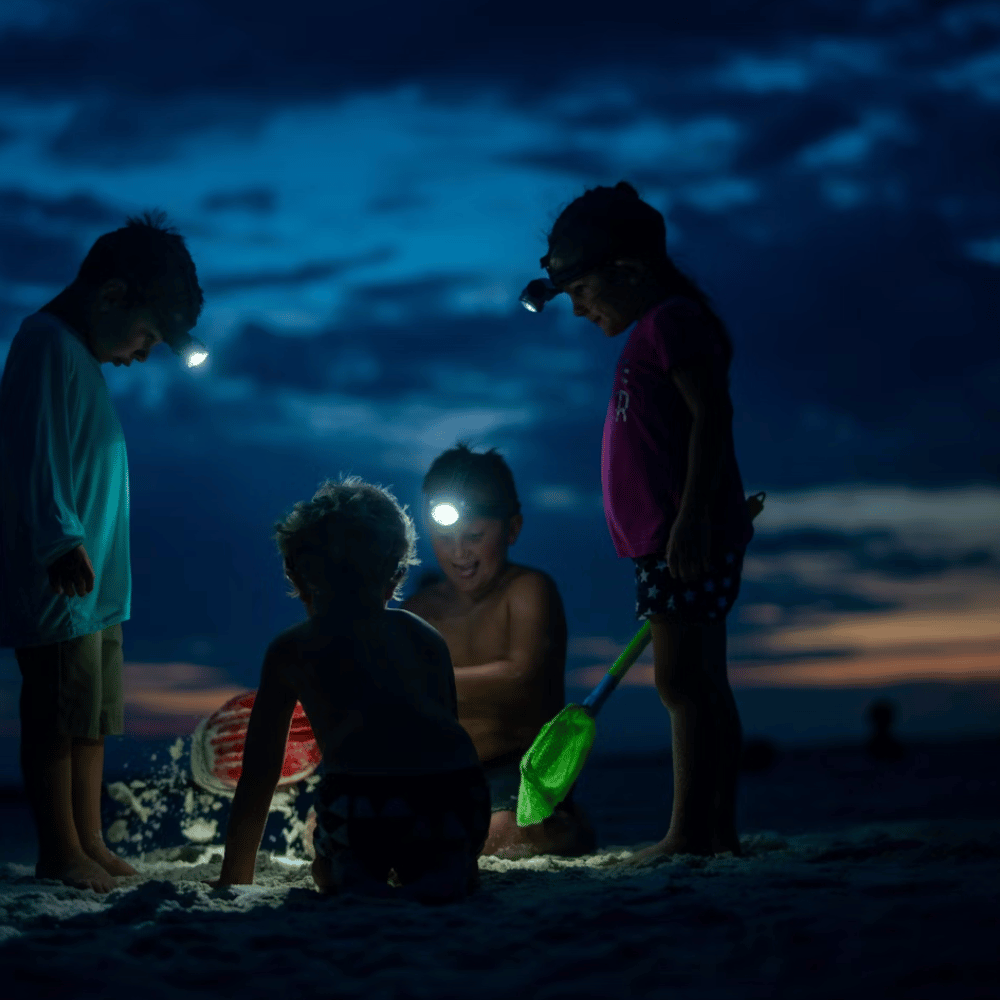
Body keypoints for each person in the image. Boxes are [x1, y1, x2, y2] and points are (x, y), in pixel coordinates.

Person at [521, 182, 758, 861]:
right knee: (698, 682)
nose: (578, 309)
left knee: (684, 683)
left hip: (681, 540)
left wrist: (691, 519)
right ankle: (714, 833)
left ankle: (691, 834)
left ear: (627, 271)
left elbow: (713, 416)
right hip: (672, 539)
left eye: (582, 292)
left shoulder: (672, 321)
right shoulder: (660, 328)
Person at [0, 212, 204, 892]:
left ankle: (89, 839)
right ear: (112, 297)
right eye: (147, 335)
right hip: (60, 578)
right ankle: (59, 849)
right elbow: (32, 453)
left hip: (96, 587)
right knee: (56, 715)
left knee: (90, 719)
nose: (144, 353)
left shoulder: (76, 356)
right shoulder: (45, 344)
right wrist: (60, 539)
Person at [213, 477, 490, 903]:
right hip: (456, 799)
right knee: (436, 843)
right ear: (396, 575)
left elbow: (260, 773)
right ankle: (449, 866)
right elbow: (448, 736)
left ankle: (352, 874)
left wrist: (234, 877)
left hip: (367, 804)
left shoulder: (293, 650)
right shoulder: (424, 637)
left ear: (295, 572)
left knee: (326, 863)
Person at [403, 444, 595, 859]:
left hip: (518, 767)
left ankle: (564, 824)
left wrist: (411, 681)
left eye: (474, 537)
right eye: (444, 538)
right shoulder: (417, 611)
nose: (460, 553)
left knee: (501, 836)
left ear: (511, 529)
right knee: (336, 826)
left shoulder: (528, 591)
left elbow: (519, 677)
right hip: (439, 772)